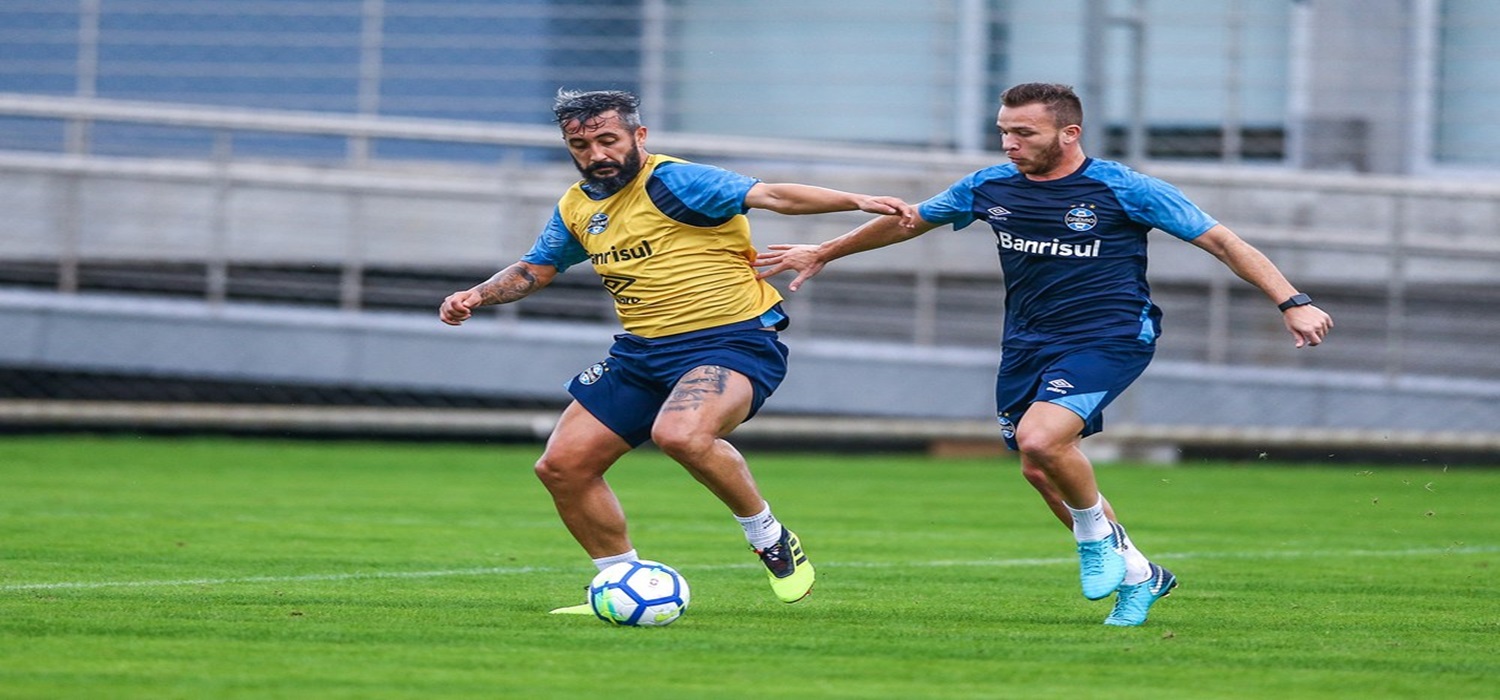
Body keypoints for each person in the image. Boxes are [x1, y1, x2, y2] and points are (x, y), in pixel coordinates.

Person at [754, 82, 1333, 626]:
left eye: (1024, 133)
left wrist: (1292, 301)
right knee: (1040, 466)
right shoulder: (990, 186)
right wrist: (824, 251)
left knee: (1041, 439)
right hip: (1028, 343)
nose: (1010, 143)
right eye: (1004, 130)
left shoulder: (1122, 187)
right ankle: (1139, 574)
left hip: (1109, 336)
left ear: (1070, 133)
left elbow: (1222, 241)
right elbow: (912, 224)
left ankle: (1092, 540)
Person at [439, 89, 916, 612]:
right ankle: (622, 582)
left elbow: (775, 195)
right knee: (562, 467)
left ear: (638, 136)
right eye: (580, 144)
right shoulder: (578, 206)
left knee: (681, 435)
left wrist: (855, 200)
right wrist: (477, 295)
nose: (596, 153)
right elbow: (536, 269)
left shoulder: (676, 181)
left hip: (731, 341)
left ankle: (768, 536)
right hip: (641, 354)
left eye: (607, 140)